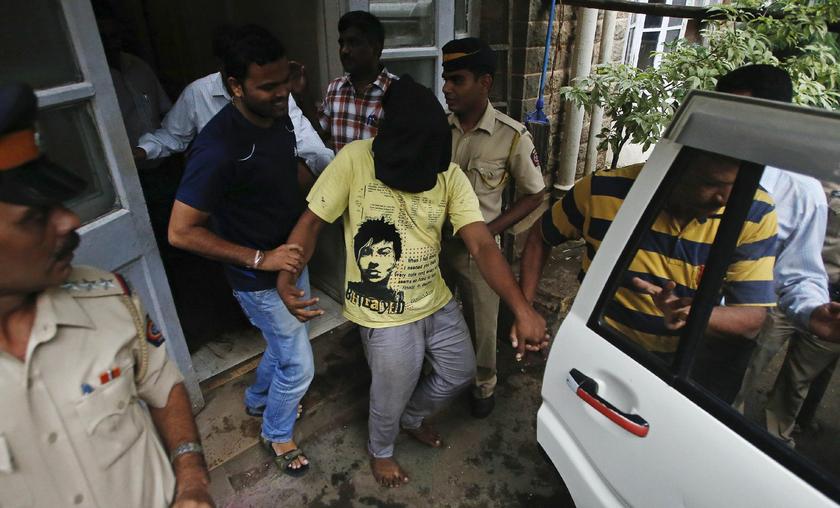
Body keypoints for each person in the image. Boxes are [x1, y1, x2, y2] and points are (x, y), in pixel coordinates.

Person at [277, 76, 549, 488]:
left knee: (460, 371)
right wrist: (286, 275)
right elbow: (312, 222)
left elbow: (481, 245)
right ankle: (380, 451)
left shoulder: (450, 176)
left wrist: (522, 308)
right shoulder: (354, 159)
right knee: (391, 390)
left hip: (434, 299)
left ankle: (411, 417)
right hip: (382, 309)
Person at [0, 83, 213, 507]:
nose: (68, 222)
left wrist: (190, 477)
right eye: (36, 217)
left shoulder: (106, 296)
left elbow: (163, 385)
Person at [168, 29, 311, 476]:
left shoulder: (279, 111)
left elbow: (284, 169)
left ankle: (255, 399)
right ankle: (277, 432)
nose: (281, 94)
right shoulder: (217, 146)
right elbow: (180, 232)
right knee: (300, 365)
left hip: (292, 258)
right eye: (268, 86)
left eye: (284, 80)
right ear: (234, 86)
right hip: (257, 277)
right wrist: (259, 259)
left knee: (286, 341)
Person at [518, 147, 778, 362]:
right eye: (711, 183)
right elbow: (541, 236)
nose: (726, 197)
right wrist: (525, 310)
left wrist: (692, 314)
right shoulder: (602, 191)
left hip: (679, 367)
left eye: (736, 182)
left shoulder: (753, 211)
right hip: (593, 347)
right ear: (675, 168)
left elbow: (752, 316)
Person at [714, 66, 840, 426]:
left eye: (743, 115)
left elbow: (797, 272)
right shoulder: (687, 164)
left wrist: (813, 310)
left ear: (775, 119)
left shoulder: (800, 192)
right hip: (655, 321)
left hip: (730, 333)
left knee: (719, 407)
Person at [439, 37, 546, 418]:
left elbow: (535, 193)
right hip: (435, 246)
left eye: (457, 79)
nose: (446, 88)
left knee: (483, 325)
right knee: (433, 314)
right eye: (444, 78)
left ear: (485, 83)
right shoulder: (437, 129)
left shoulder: (512, 136)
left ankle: (483, 386)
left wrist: (493, 229)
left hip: (480, 253)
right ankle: (438, 373)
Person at [133, 24, 334, 180]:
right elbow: (172, 136)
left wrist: (336, 173)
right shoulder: (200, 102)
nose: (279, 93)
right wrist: (139, 153)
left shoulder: (275, 95)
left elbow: (305, 141)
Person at [293, 10, 398, 152]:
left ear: (376, 47)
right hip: (341, 174)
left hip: (377, 175)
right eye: (342, 43)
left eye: (353, 43)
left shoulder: (397, 92)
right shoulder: (336, 89)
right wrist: (304, 93)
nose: (344, 50)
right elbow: (319, 134)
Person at [347, 217, 405, 306]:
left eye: (384, 253)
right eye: (366, 252)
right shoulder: (351, 288)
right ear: (357, 257)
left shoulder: (398, 297)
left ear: (396, 259)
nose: (373, 261)